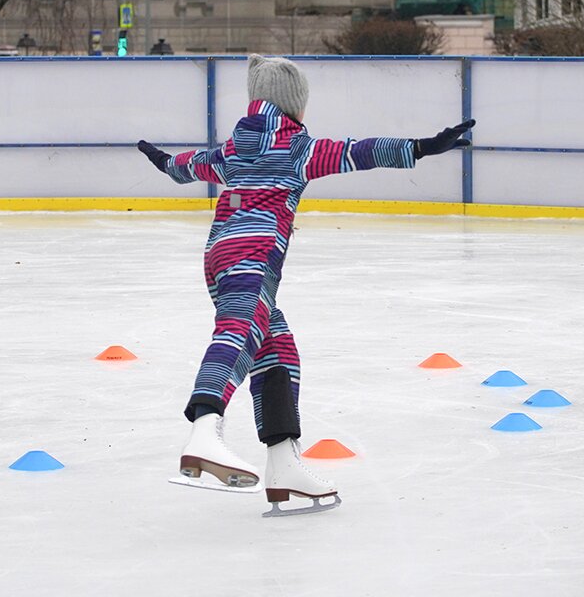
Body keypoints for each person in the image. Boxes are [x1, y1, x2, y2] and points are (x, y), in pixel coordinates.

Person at [137, 54, 474, 516]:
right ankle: (204, 429)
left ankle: (283, 464)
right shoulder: (298, 147)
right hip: (252, 258)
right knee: (240, 332)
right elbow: (361, 151)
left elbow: (187, 166)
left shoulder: (233, 150)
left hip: (219, 257)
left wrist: (163, 161)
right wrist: (421, 147)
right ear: (294, 103)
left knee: (277, 350)